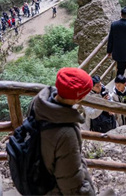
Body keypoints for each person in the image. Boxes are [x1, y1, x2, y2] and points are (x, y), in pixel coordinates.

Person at [30, 67, 95, 195]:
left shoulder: (38, 103)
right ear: (78, 98)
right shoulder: (66, 134)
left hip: (36, 172)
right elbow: (71, 185)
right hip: (51, 188)